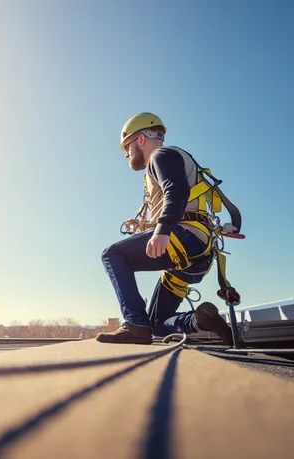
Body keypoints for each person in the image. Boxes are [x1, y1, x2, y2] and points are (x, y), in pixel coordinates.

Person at [96, 112, 236, 345]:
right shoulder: (171, 160)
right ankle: (200, 320)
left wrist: (161, 231)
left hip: (186, 240)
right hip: (198, 254)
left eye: (127, 147)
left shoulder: (161, 155)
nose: (126, 154)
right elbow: (183, 204)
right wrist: (147, 225)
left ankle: (134, 324)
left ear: (141, 139)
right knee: (157, 323)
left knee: (113, 255)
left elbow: (177, 190)